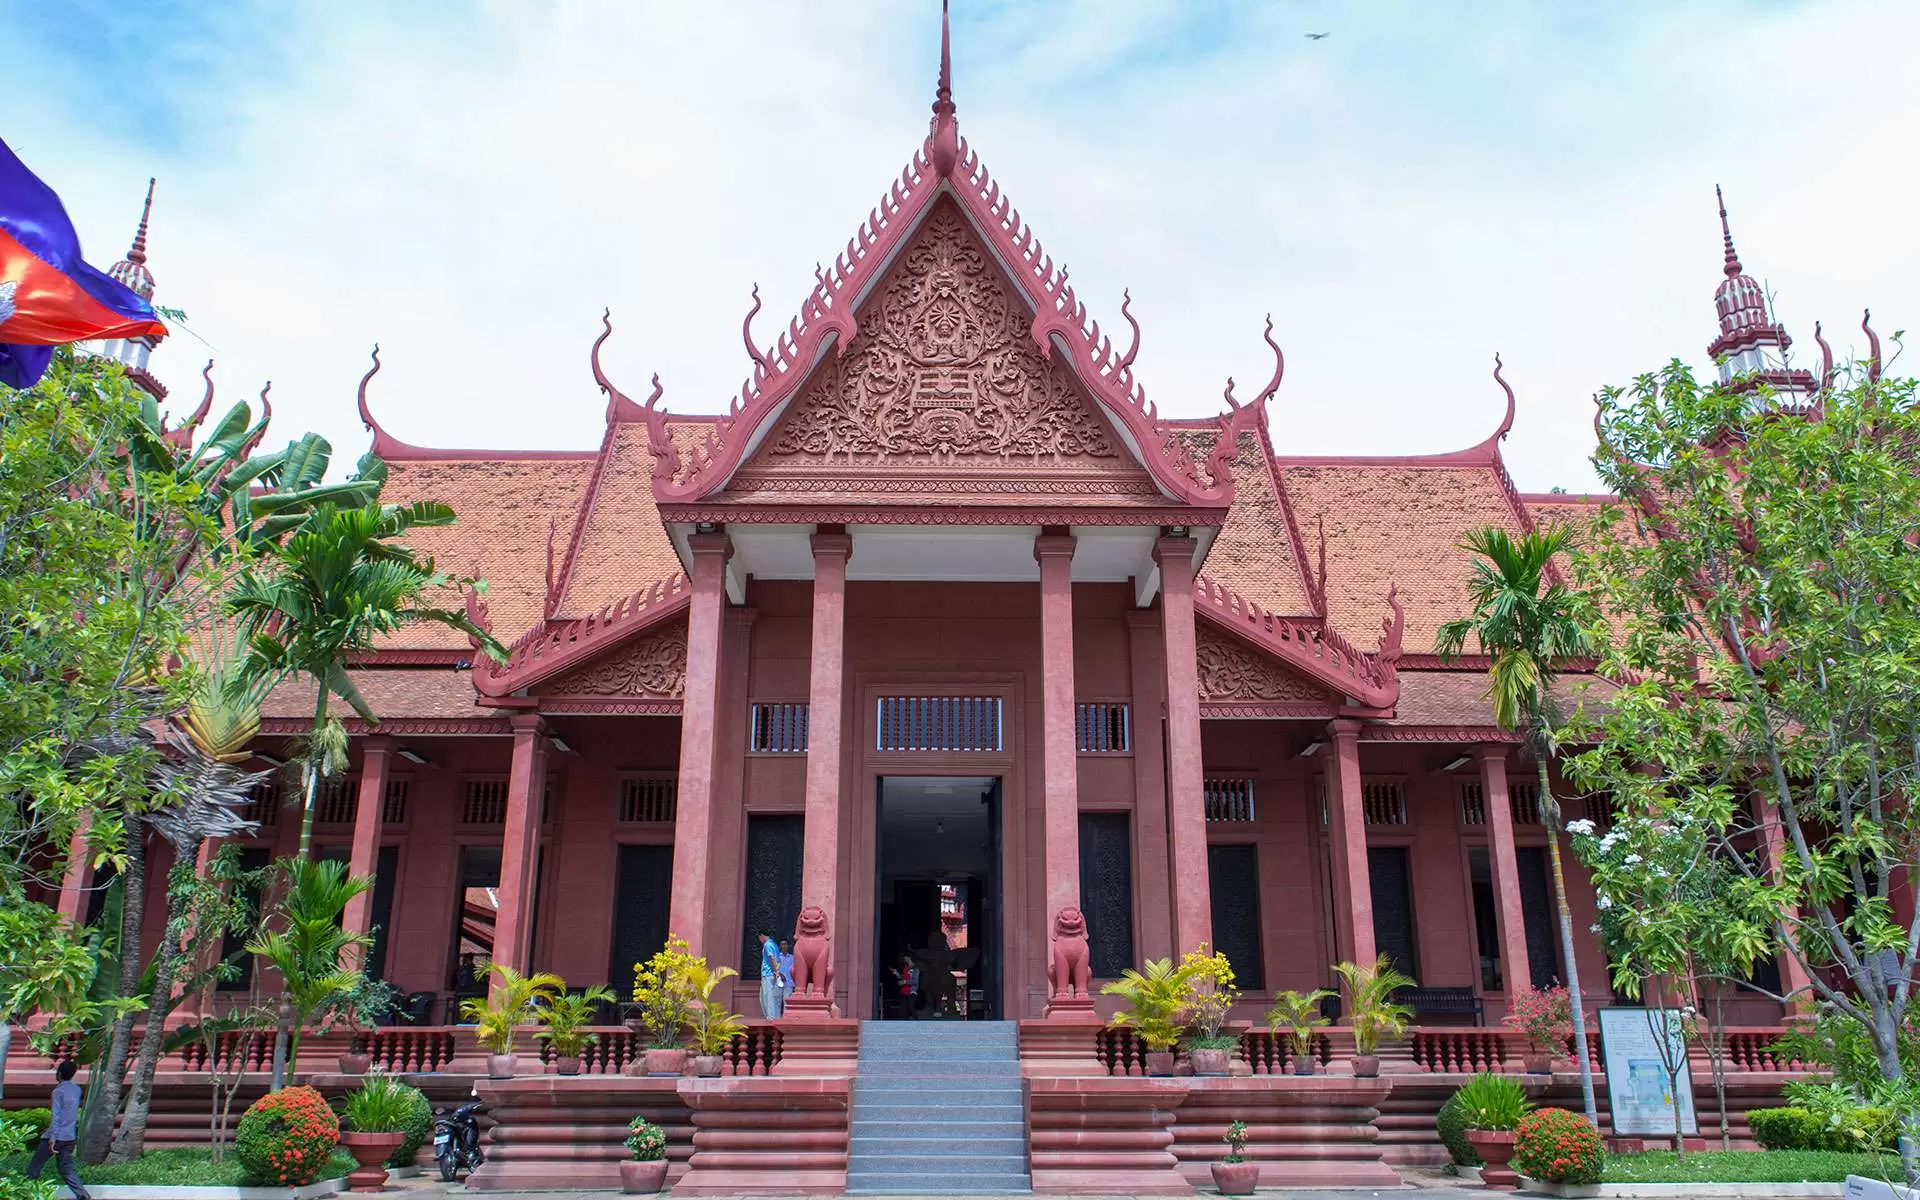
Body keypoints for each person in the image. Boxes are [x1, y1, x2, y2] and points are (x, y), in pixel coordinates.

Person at [28, 1059, 92, 1200]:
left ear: (60, 1073)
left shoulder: (58, 1091)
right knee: (66, 1169)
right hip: (69, 1137)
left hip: (56, 1137)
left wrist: (52, 1138)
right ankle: (83, 1196)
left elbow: (57, 1116)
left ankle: (26, 1194)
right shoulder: (77, 1090)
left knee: (34, 1168)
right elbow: (68, 1114)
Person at [756, 932, 783, 1019]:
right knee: (769, 997)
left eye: (759, 938)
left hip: (767, 974)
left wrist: (775, 971)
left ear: (762, 935)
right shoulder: (775, 945)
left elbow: (771, 957)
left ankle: (770, 1018)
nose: (760, 940)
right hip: (772, 975)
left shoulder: (767, 945)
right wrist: (777, 971)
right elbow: (779, 960)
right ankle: (775, 1017)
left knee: (767, 997)